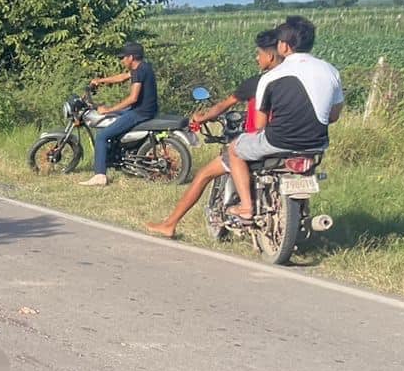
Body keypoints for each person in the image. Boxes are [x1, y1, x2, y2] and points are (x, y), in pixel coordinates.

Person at [146, 30, 282, 238]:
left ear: (270, 56)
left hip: (260, 142)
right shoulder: (295, 80)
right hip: (291, 143)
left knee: (203, 174)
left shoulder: (258, 83)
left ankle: (170, 224)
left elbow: (223, 105)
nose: (257, 58)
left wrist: (202, 117)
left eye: (258, 54)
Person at [224, 15, 343, 220]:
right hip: (316, 144)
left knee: (234, 150)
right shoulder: (331, 71)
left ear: (285, 46)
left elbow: (260, 125)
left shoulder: (271, 76)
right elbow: (333, 116)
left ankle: (245, 206)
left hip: (278, 141)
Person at [80, 41, 158, 187]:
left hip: (139, 112)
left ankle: (100, 175)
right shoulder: (143, 67)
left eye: (123, 57)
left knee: (102, 137)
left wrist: (109, 109)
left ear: (131, 57)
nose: (122, 60)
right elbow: (122, 77)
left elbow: (133, 98)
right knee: (111, 124)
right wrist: (100, 81)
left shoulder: (139, 71)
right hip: (145, 110)